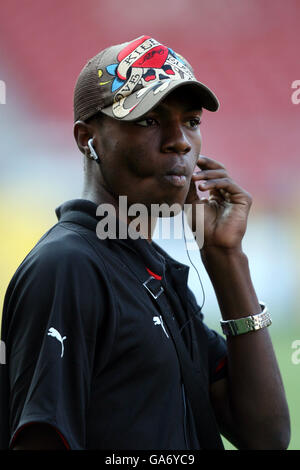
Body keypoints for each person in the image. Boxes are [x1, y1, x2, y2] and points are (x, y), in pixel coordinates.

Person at [0, 35, 290, 450]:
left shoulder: (154, 273)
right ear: (88, 139)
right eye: (148, 120)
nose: (180, 141)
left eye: (191, 121)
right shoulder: (68, 266)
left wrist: (226, 257)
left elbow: (266, 436)